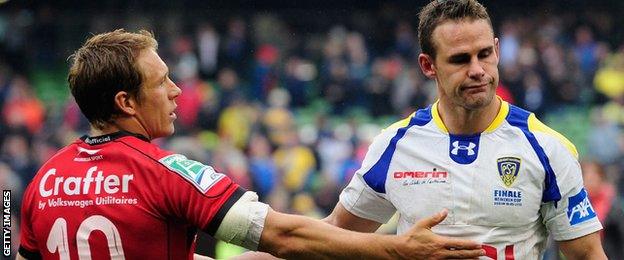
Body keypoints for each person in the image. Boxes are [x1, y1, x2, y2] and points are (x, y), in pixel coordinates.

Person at [16, 29, 485, 260]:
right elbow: (285, 235)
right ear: (126, 101)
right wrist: (397, 249)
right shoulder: (167, 171)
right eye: (162, 82)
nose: (178, 91)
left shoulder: (40, 180)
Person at [324, 0, 608, 259]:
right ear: (428, 65)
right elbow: (336, 235)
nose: (477, 70)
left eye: (484, 54)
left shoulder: (547, 147)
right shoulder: (395, 144)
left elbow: (587, 255)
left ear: (497, 51)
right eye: (460, 59)